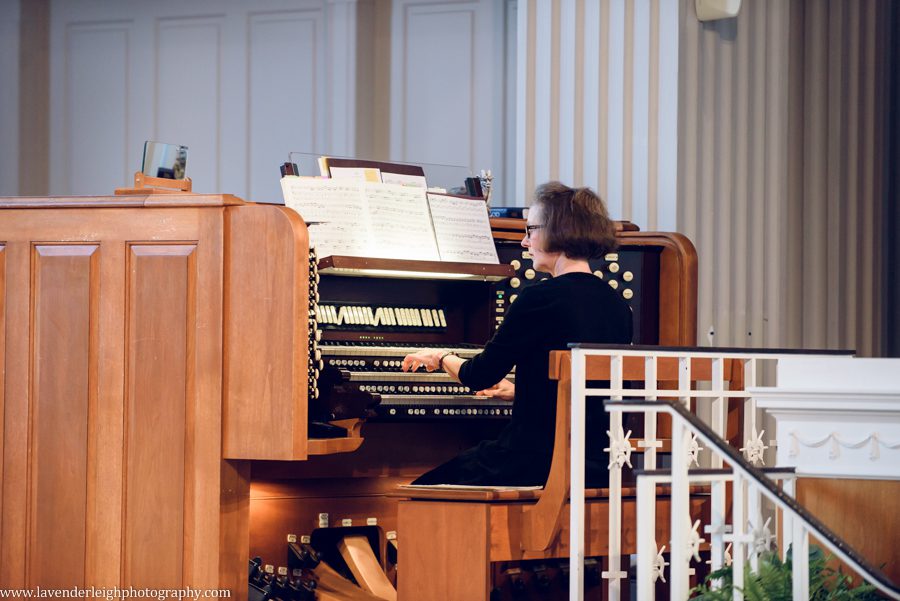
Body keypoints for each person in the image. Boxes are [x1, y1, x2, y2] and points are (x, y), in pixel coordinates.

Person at [401, 181, 633, 487]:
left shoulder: (538, 297)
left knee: (420, 492)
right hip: (595, 463)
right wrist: (523, 391)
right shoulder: (617, 304)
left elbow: (478, 375)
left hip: (532, 459)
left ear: (556, 230)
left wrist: (440, 356)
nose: (525, 242)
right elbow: (588, 388)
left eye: (531, 230)